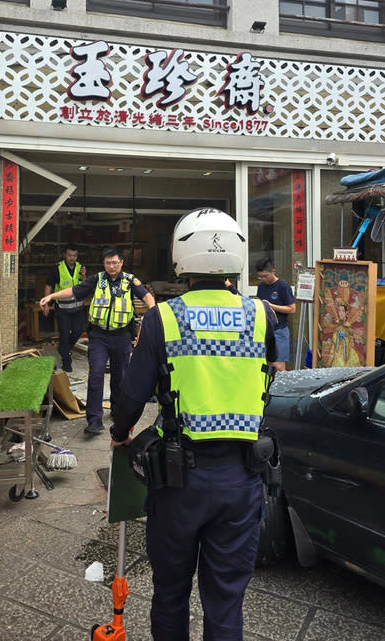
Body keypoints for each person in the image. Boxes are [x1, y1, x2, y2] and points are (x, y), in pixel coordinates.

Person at [110, 208, 276, 641]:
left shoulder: (162, 318)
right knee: (225, 599)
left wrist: (119, 432)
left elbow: (131, 394)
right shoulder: (263, 316)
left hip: (178, 479)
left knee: (170, 592)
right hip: (243, 479)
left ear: (181, 258)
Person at [40, 247, 155, 434]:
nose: (111, 266)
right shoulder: (97, 280)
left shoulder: (129, 281)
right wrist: (51, 296)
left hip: (122, 336)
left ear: (121, 263)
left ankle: (117, 412)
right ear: (104, 264)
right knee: (95, 375)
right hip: (99, 336)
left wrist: (152, 312)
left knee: (120, 377)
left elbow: (147, 296)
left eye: (115, 262)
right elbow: (74, 291)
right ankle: (94, 420)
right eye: (108, 263)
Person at [42, 244, 87, 372]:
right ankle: (67, 362)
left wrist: (84, 276)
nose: (72, 258)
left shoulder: (80, 267)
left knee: (79, 330)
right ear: (64, 255)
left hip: (78, 308)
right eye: (69, 255)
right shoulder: (57, 268)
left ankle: (63, 349)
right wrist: (46, 304)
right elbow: (48, 285)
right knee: (65, 334)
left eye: (74, 255)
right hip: (62, 308)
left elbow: (84, 286)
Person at [255, 256, 296, 371]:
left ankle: (282, 388)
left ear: (273, 271)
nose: (263, 279)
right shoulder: (261, 286)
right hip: (265, 330)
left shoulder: (283, 286)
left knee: (278, 365)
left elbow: (292, 309)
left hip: (279, 330)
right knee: (267, 363)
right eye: (260, 276)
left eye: (265, 276)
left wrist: (271, 306)